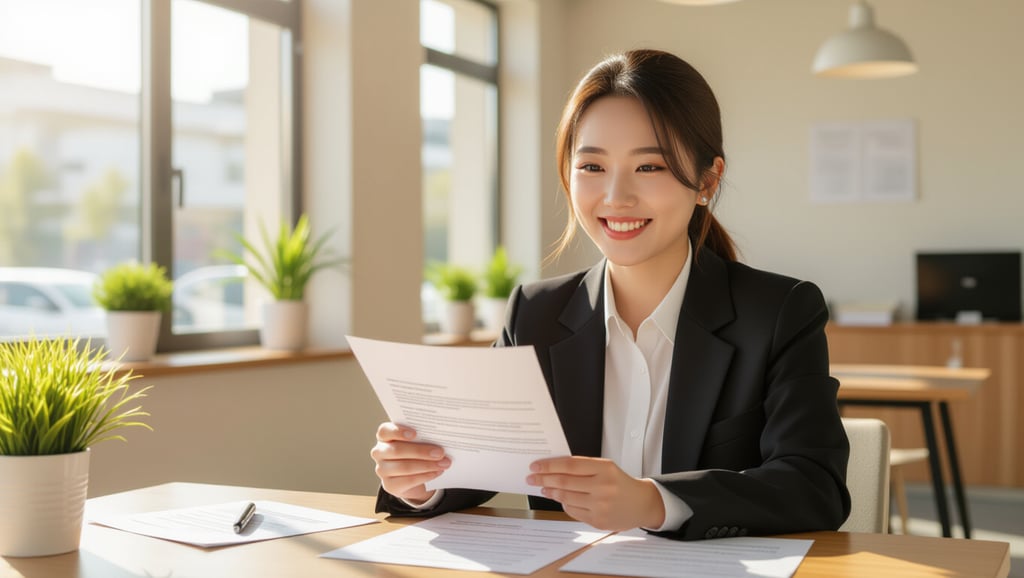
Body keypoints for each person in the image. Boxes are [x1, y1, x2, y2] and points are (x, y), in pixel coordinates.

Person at [371, 48, 851, 540]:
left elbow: (814, 486)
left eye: (650, 167)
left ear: (707, 181)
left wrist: (654, 501)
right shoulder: (535, 314)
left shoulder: (778, 313)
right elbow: (481, 463)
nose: (616, 197)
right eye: (592, 166)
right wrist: (420, 481)